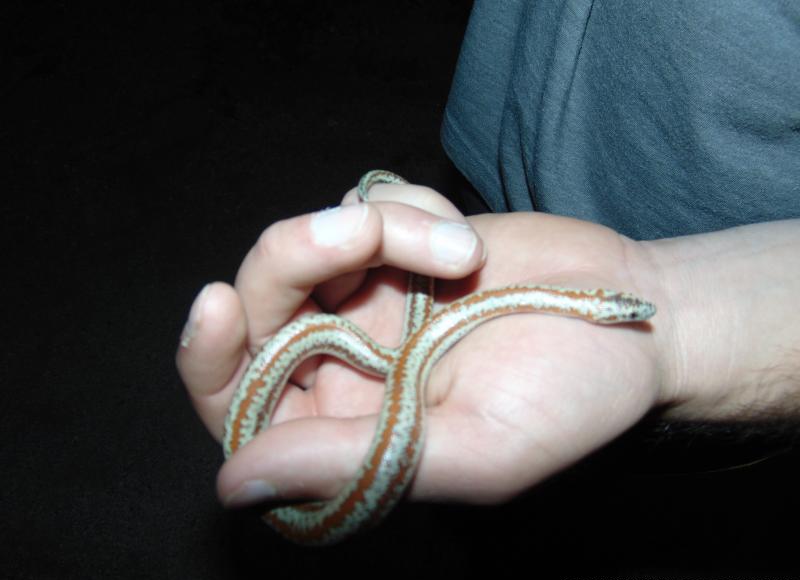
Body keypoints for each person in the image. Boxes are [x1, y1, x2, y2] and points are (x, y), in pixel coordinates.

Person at [176, 2, 799, 509]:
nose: (630, 312)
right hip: (503, 130)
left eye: (617, 307)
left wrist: (681, 321)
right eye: (621, 306)